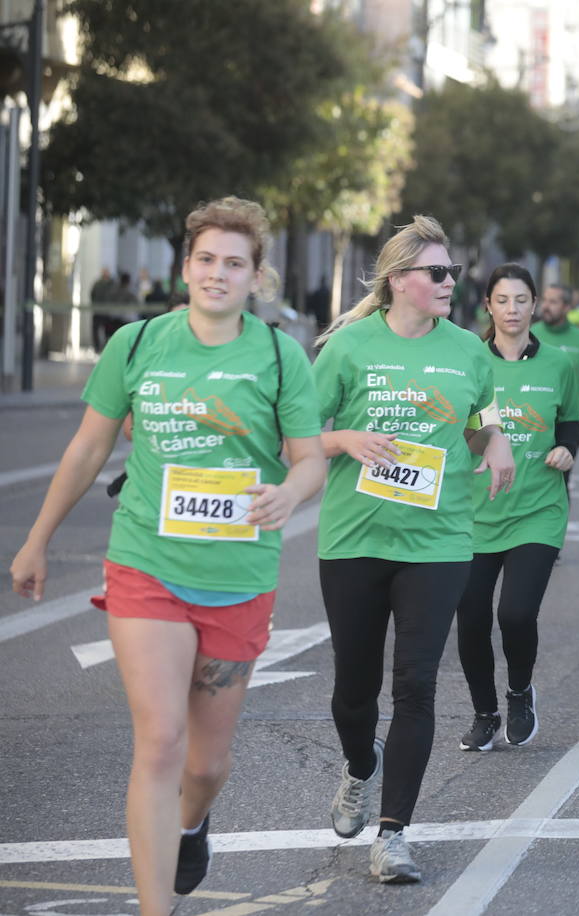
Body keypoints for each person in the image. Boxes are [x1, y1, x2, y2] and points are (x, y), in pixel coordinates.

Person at [11, 197, 326, 914]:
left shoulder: (280, 356)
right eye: (207, 260)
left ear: (255, 277)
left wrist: (290, 493)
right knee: (159, 740)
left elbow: (311, 460)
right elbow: (91, 446)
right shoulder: (139, 344)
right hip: (146, 565)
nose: (218, 274)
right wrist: (37, 539)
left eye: (235, 264)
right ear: (186, 267)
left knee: (206, 763)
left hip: (239, 574)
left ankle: (193, 819)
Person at [312, 216, 514, 884]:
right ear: (399, 280)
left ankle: (393, 834)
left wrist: (500, 442)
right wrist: (347, 441)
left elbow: (483, 418)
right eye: (437, 272)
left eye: (452, 271)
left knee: (417, 684)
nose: (450, 280)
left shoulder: (467, 350)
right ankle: (360, 766)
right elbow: (301, 435)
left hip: (439, 540)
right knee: (353, 690)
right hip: (355, 539)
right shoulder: (347, 349)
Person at [455, 264, 579, 750]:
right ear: (488, 305)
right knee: (470, 619)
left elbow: (570, 422)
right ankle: (484, 713)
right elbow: (453, 427)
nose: (512, 309)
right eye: (502, 300)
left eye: (521, 299)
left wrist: (567, 449)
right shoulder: (469, 364)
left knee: (515, 614)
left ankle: (519, 691)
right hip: (473, 513)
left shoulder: (560, 365)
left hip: (538, 510)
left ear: (535, 305)